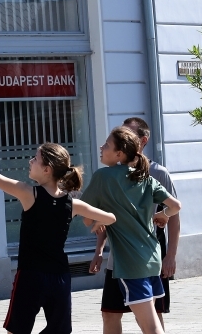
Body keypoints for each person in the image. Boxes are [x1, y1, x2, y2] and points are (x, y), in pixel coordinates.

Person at [0, 117, 116, 334]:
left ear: (47, 170)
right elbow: (111, 218)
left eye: (35, 159)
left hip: (30, 276)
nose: (30, 161)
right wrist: (97, 224)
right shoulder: (72, 203)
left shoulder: (29, 194)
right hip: (59, 277)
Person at [81, 127, 182, 334]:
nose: (101, 147)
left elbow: (86, 219)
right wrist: (163, 215)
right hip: (152, 259)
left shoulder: (103, 177)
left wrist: (102, 219)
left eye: (107, 145)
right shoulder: (146, 178)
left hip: (130, 264)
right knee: (149, 321)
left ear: (119, 154)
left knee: (150, 326)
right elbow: (176, 206)